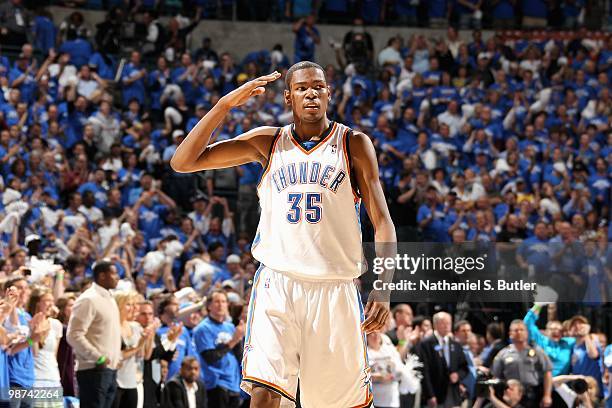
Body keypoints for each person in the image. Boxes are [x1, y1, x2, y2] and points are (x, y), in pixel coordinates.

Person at [171, 62, 394, 407]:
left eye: (318, 87)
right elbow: (184, 162)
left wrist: (384, 286)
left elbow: (382, 222)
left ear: (329, 94)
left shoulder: (354, 144)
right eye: (303, 88)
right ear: (289, 97)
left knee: (337, 403)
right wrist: (224, 106)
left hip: (335, 287)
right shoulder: (268, 141)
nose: (312, 93)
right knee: (264, 392)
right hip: (278, 283)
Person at [66, 261, 121, 408]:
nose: (118, 277)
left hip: (110, 370)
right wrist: (97, 357)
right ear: (102, 276)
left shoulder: (110, 298)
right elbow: (73, 334)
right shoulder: (88, 299)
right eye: (114, 273)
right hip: (93, 370)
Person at [192, 291, 243, 408]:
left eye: (223, 301)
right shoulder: (203, 328)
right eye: (217, 301)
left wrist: (238, 340)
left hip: (233, 383)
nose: (220, 305)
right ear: (209, 306)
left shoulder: (230, 327)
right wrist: (233, 341)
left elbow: (238, 356)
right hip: (216, 384)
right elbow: (210, 357)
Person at [491, 320, 553, 408]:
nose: (519, 332)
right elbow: (496, 376)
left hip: (532, 394)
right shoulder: (503, 354)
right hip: (511, 394)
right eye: (516, 330)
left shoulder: (537, 351)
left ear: (527, 333)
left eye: (522, 330)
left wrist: (547, 395)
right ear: (510, 333)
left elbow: (547, 372)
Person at [415, 311, 469, 408]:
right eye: (443, 323)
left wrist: (458, 375)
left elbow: (464, 367)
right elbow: (424, 371)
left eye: (449, 323)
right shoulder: (426, 344)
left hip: (453, 394)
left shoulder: (455, 345)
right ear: (435, 325)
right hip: (435, 394)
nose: (447, 326)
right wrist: (430, 395)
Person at [113, 291, 154, 408]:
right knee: (56, 403)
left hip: (132, 382)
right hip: (115, 381)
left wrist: (149, 336)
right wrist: (139, 346)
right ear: (118, 305)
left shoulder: (135, 327)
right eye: (128, 304)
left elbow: (145, 355)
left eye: (133, 304)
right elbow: (118, 356)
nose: (132, 308)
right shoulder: (112, 327)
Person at [27, 286, 63, 408]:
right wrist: (35, 330)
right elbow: (34, 352)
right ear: (37, 303)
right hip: (36, 378)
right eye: (47, 301)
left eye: (52, 301)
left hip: (53, 377)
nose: (51, 305)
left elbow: (54, 355)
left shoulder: (56, 324)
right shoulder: (28, 322)